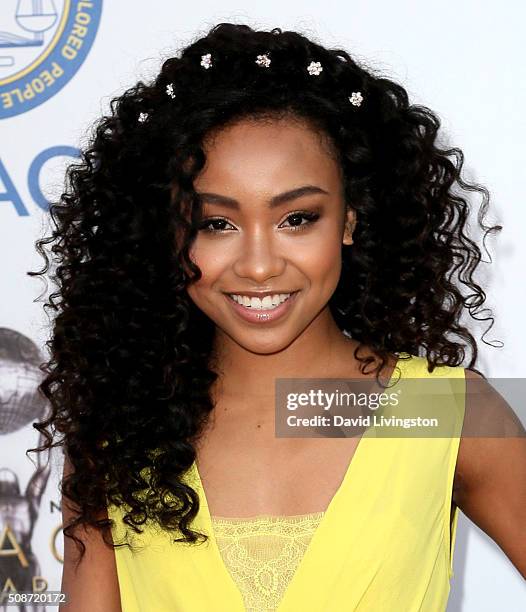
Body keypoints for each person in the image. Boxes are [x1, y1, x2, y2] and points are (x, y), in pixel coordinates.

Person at [28, 22, 525, 612]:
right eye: (216, 223)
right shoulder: (121, 432)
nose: (259, 266)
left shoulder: (444, 411)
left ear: (350, 218)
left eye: (297, 218)